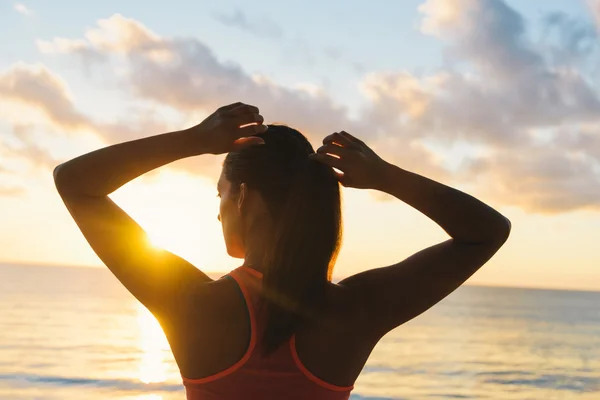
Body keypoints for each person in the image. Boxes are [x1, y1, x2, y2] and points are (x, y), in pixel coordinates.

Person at [53, 102, 511, 400]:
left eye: (220, 196)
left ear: (244, 199)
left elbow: (75, 183)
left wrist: (193, 140)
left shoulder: (193, 305)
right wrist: (385, 176)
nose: (217, 215)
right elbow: (486, 232)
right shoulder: (353, 311)